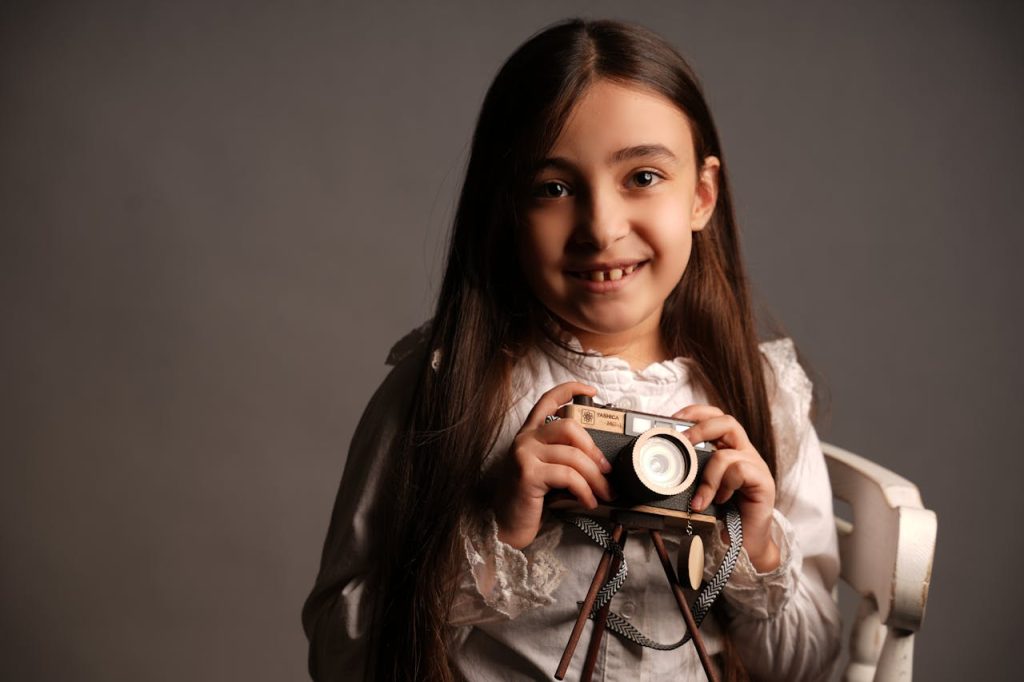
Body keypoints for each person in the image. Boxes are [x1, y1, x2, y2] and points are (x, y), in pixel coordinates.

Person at [302, 17, 841, 682]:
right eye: (553, 188)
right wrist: (495, 536)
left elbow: (806, 667)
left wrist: (753, 548)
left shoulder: (758, 394)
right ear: (506, 210)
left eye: (643, 176)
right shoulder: (448, 389)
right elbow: (340, 658)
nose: (601, 227)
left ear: (701, 195)